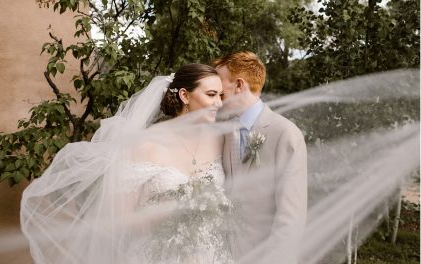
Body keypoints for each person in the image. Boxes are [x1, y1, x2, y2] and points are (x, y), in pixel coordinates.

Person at [20, 63, 233, 264]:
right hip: (157, 255)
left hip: (210, 254)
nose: (219, 103)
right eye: (211, 95)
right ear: (184, 95)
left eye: (221, 96)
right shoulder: (144, 145)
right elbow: (119, 221)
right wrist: (169, 216)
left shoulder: (220, 140)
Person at [212, 51, 308, 263]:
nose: (218, 100)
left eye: (221, 92)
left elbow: (290, 219)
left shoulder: (285, 134)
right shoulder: (225, 132)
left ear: (239, 85)